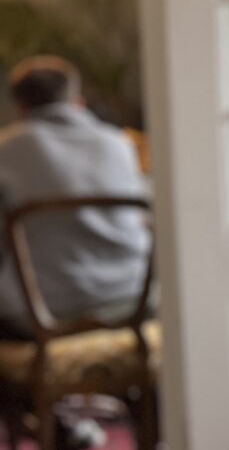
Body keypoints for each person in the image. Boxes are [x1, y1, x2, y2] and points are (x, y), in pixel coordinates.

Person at [0, 57, 149, 336]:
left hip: (43, 312)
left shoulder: (7, 150)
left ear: (20, 108)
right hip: (132, 296)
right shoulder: (120, 143)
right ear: (77, 101)